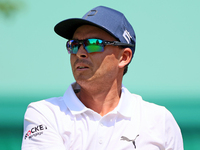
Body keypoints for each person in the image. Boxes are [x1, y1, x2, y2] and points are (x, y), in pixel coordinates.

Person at [22, 6, 183, 150]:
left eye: (93, 43)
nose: (80, 52)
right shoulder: (45, 113)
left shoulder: (159, 120)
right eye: (74, 44)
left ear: (124, 57)